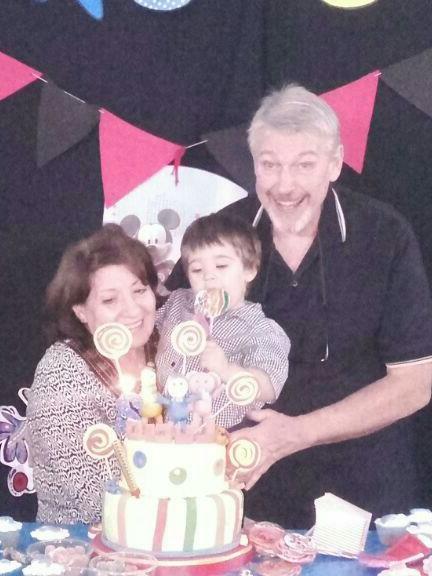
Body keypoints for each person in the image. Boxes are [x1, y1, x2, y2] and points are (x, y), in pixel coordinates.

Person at [167, 85, 432, 527]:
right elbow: (171, 343)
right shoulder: (219, 236)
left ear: (335, 163)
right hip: (243, 496)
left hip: (364, 496)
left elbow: (416, 383)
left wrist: (296, 433)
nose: (284, 185)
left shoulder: (385, 235)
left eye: (304, 165)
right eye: (270, 165)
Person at [26, 224, 159, 524]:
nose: (133, 310)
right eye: (110, 300)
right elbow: (98, 500)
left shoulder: (169, 349)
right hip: (83, 541)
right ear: (81, 311)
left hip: (177, 537)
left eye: (140, 290)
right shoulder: (61, 374)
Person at [156, 212, 290, 429]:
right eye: (197, 269)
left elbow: (269, 386)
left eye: (221, 266)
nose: (209, 276)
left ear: (249, 270)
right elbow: (146, 328)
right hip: (163, 430)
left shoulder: (260, 329)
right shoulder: (178, 302)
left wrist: (226, 370)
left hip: (222, 435)